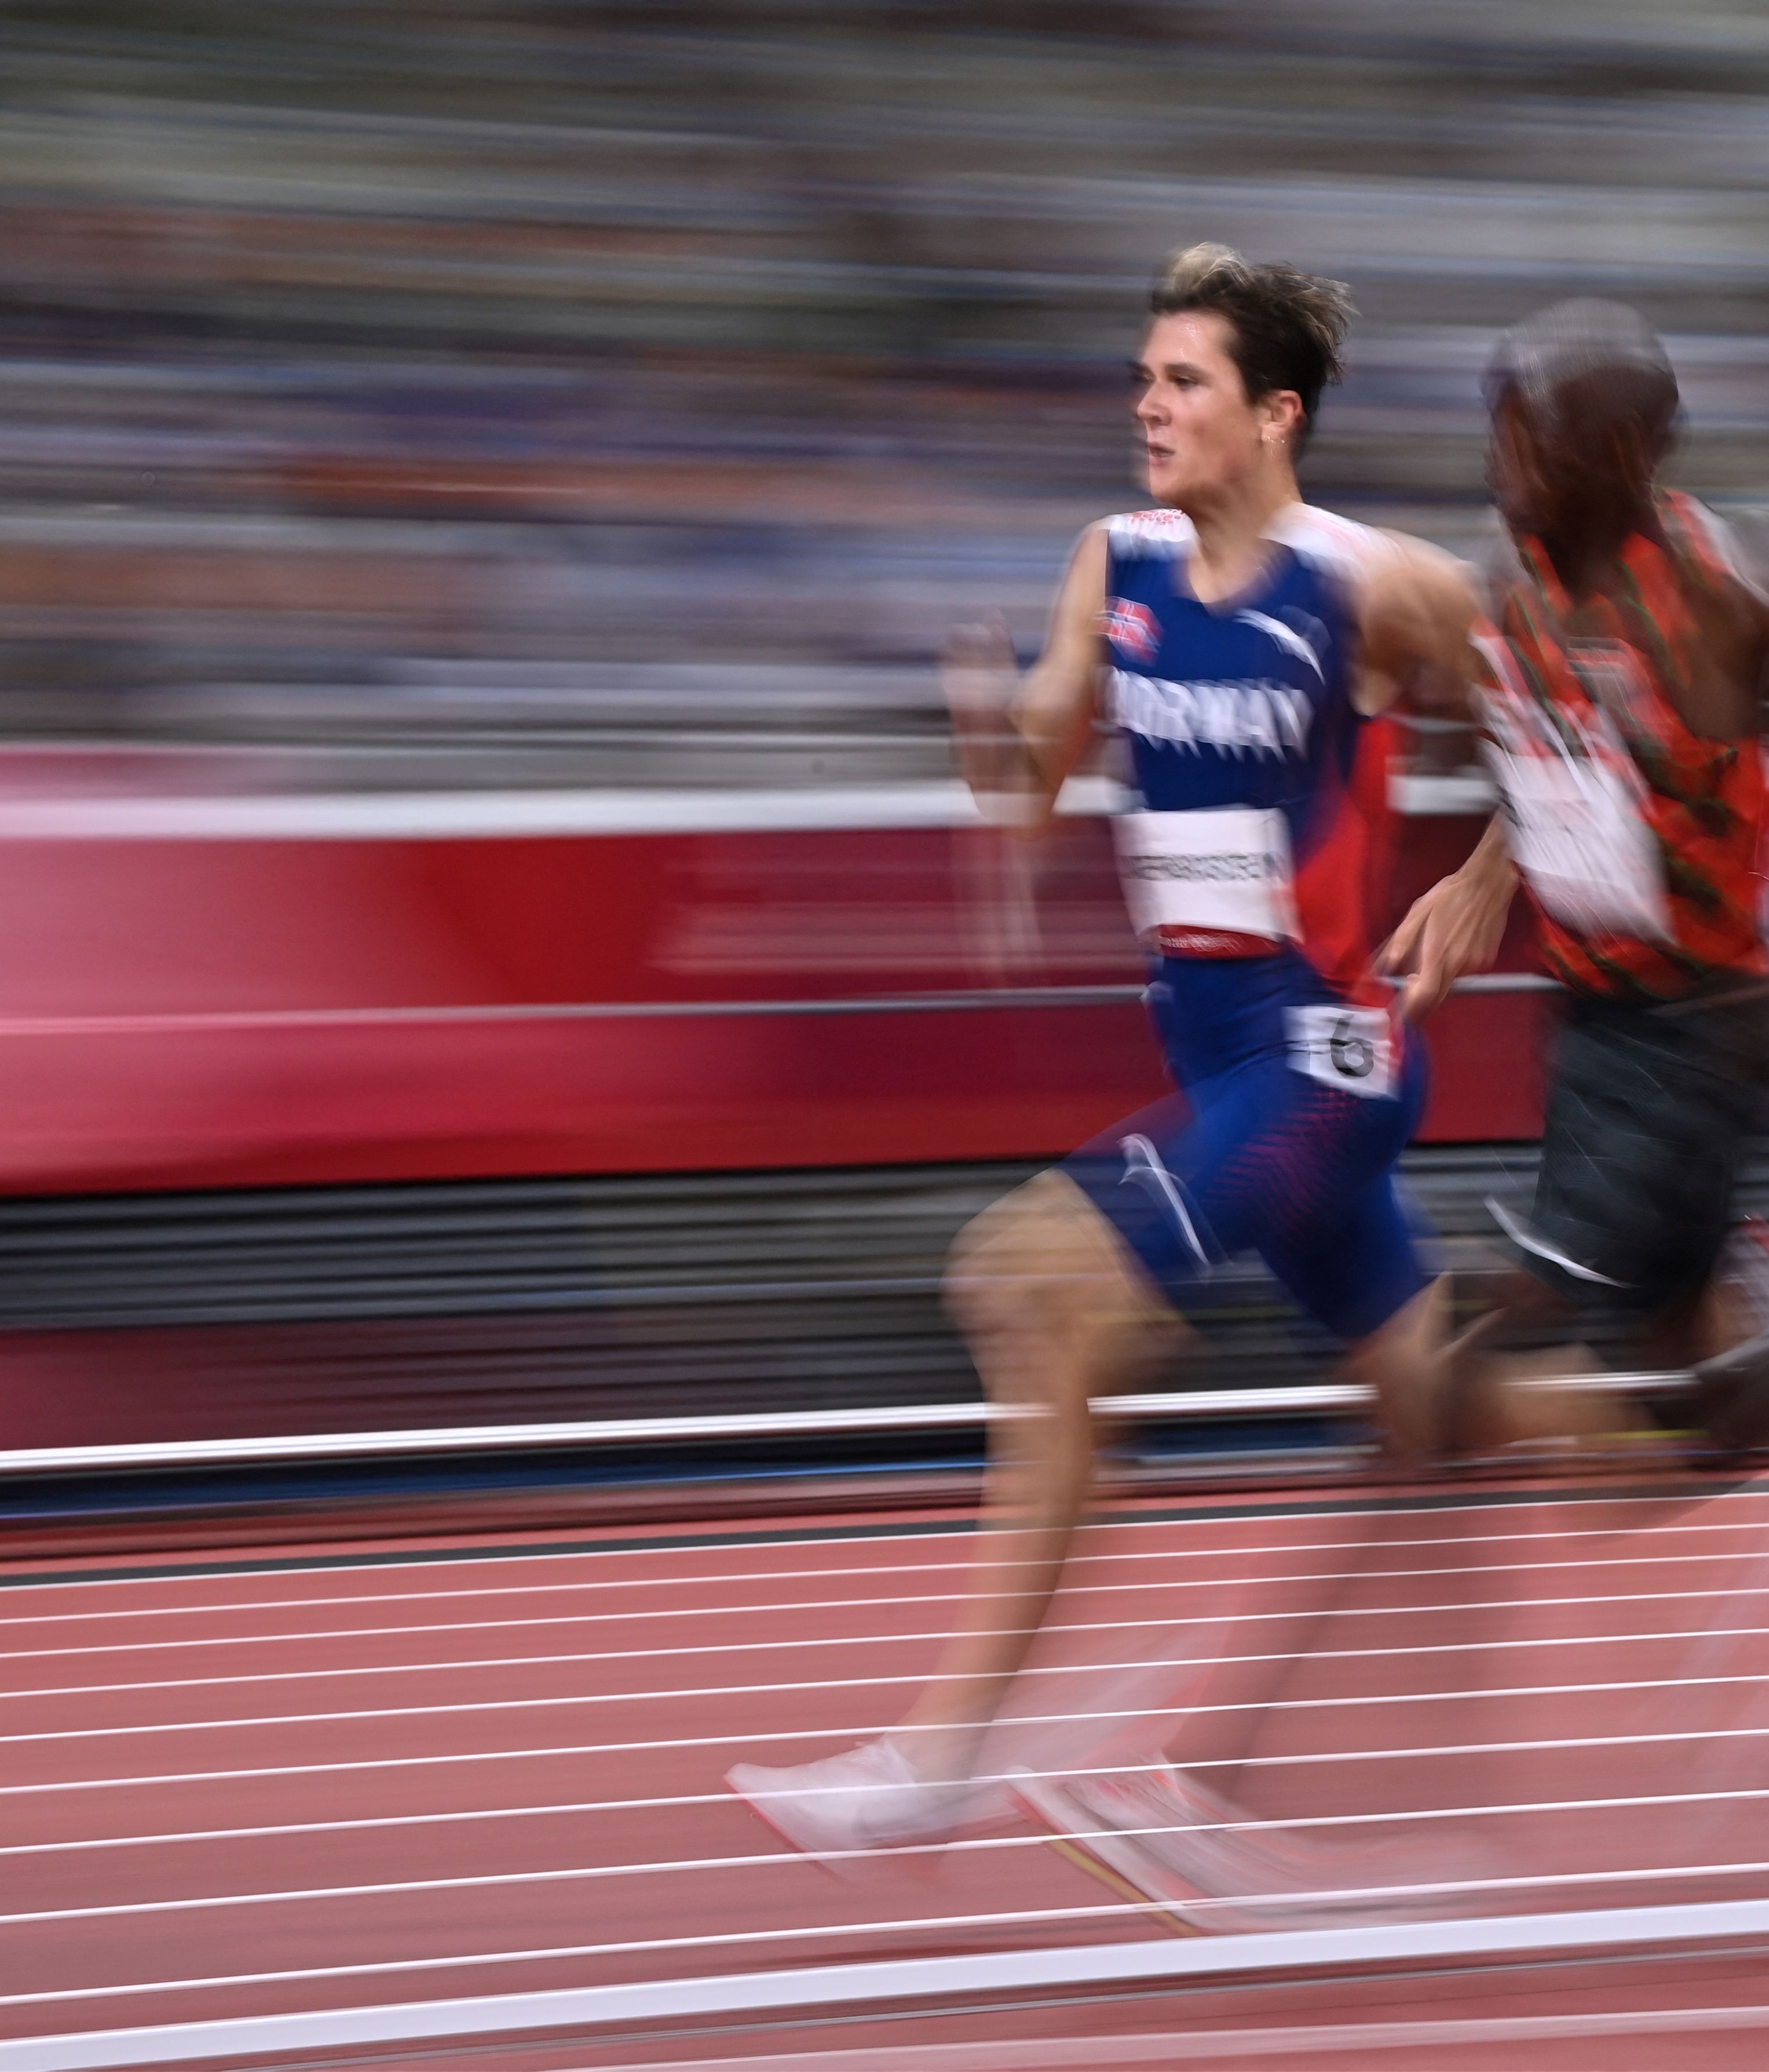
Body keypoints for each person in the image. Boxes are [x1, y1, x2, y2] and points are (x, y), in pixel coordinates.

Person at [728, 246, 1481, 1865]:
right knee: (1444, 1400)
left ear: (1274, 414)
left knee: (1020, 1284)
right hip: (1219, 1062)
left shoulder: (1375, 583)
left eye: (1184, 379)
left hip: (1326, 1057)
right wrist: (983, 730)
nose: (1147, 403)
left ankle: (953, 1747)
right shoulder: (1111, 560)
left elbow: (1562, 726)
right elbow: (1031, 776)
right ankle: (1718, 1406)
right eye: (1141, 376)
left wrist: (1484, 877)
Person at [1381, 297, 1769, 1464]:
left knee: (1471, 1367)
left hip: (1697, 1034)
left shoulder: (1731, 587)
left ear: (1617, 454)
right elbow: (1557, 757)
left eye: (1530, 435)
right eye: (1496, 426)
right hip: (1589, 1028)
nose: (1499, 458)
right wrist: (1481, 871)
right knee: (1680, 1401)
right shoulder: (1498, 584)